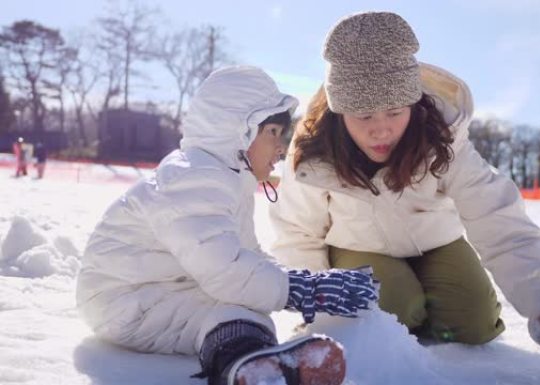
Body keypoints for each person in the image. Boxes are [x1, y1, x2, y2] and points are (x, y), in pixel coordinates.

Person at [270, 11, 540, 368]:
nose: (381, 130)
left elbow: (497, 217)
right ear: (339, 110)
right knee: (392, 304)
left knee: (475, 324)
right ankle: (405, 308)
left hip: (435, 242)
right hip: (358, 246)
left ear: (412, 102)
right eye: (363, 116)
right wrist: (320, 312)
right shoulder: (315, 155)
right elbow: (298, 233)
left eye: (395, 111)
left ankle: (427, 306)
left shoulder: (442, 139)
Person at [76, 66, 378, 385]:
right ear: (238, 131)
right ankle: (245, 365)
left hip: (161, 287)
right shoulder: (194, 178)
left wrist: (304, 280)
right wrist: (303, 290)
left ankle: (255, 368)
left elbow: (247, 256)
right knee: (234, 304)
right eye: (272, 133)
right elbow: (226, 270)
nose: (281, 147)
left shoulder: (227, 179)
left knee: (245, 305)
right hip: (124, 298)